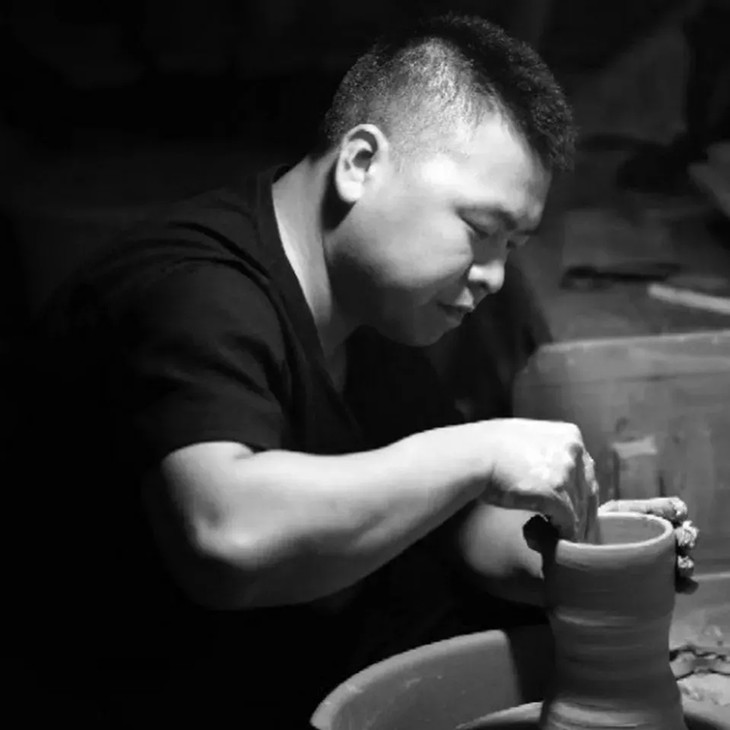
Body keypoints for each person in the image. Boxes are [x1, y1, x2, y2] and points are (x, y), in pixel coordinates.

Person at [22, 13, 697, 728]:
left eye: (514, 246)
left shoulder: (374, 308)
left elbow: (454, 526)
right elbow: (227, 536)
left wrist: (583, 549)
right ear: (361, 163)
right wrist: (479, 451)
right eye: (480, 230)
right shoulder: (194, 294)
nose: (495, 275)